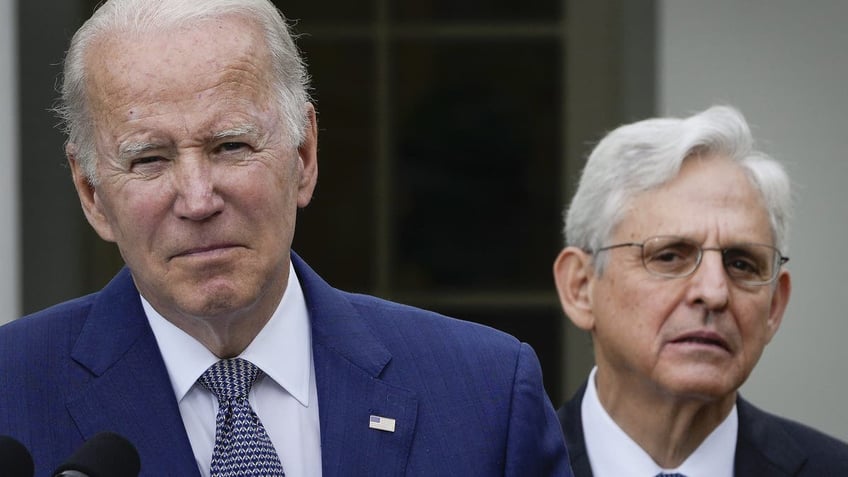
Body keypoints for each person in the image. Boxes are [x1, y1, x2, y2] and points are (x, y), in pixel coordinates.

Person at [0, 0, 570, 475]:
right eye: (149, 159)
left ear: (304, 154)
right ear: (92, 193)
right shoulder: (11, 394)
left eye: (231, 146)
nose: (198, 200)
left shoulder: (484, 395)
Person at [553, 105, 848, 476]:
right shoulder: (500, 465)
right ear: (580, 287)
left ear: (774, 305)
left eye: (741, 263)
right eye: (670, 256)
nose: (714, 292)